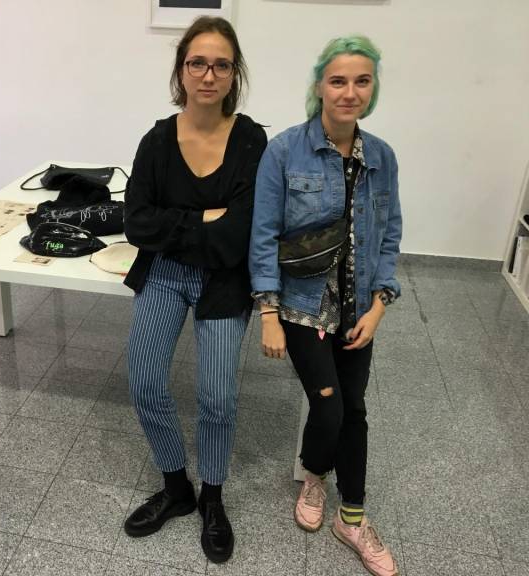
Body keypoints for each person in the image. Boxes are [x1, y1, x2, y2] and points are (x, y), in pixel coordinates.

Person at [249, 36, 402, 576]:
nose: (349, 92)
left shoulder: (381, 156)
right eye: (338, 81)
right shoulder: (284, 151)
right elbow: (263, 235)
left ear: (372, 88)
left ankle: (352, 518)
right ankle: (314, 477)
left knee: (355, 410)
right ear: (319, 86)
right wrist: (268, 313)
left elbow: (389, 235)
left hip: (360, 309)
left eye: (362, 81)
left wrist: (379, 307)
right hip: (302, 307)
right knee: (331, 406)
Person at [122, 16, 267, 564]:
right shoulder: (156, 141)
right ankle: (176, 486)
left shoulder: (251, 140)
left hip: (224, 279)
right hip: (164, 271)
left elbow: (242, 230)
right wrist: (206, 219)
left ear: (234, 74)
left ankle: (212, 495)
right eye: (197, 63)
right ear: (181, 70)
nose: (209, 75)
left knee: (217, 397)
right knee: (144, 381)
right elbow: (137, 223)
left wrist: (179, 224)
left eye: (221, 65)